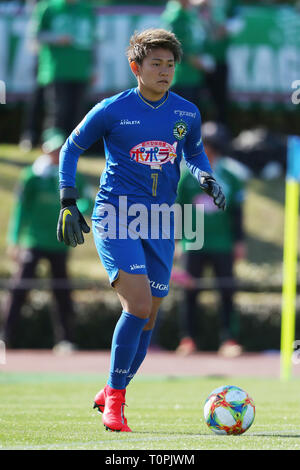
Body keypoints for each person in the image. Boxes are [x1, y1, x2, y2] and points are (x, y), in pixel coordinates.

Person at [57, 28, 226, 432]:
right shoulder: (112, 109)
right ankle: (116, 404)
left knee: (150, 317)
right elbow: (71, 147)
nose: (165, 70)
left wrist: (206, 176)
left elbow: (195, 152)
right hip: (116, 216)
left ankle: (110, 389)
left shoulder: (186, 112)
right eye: (156, 64)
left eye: (170, 64)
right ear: (136, 67)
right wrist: (67, 199)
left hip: (163, 222)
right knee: (137, 305)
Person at [3, 130, 94, 352]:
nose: (55, 154)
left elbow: (88, 202)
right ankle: (5, 337)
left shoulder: (74, 176)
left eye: (59, 149)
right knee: (19, 289)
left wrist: (74, 213)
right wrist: (14, 240)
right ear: (44, 149)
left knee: (62, 291)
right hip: (33, 241)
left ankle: (66, 340)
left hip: (59, 242)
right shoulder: (32, 176)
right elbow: (21, 210)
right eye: (51, 149)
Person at [175, 121, 249, 357]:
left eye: (211, 145)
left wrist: (239, 241)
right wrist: (177, 242)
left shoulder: (230, 174)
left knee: (226, 292)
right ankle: (188, 339)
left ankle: (229, 340)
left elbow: (237, 211)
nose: (207, 149)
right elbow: (178, 209)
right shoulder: (186, 175)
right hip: (192, 243)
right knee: (189, 293)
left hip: (222, 243)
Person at [29, 0, 96, 140]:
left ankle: (74, 146)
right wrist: (56, 38)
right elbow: (36, 34)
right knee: (58, 111)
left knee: (77, 112)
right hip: (56, 69)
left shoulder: (86, 9)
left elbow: (94, 41)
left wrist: (94, 68)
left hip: (81, 70)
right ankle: (53, 147)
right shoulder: (48, 7)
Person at [160, 0, 211, 106]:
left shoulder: (190, 15)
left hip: (194, 76)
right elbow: (174, 49)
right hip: (181, 78)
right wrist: (197, 62)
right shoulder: (175, 18)